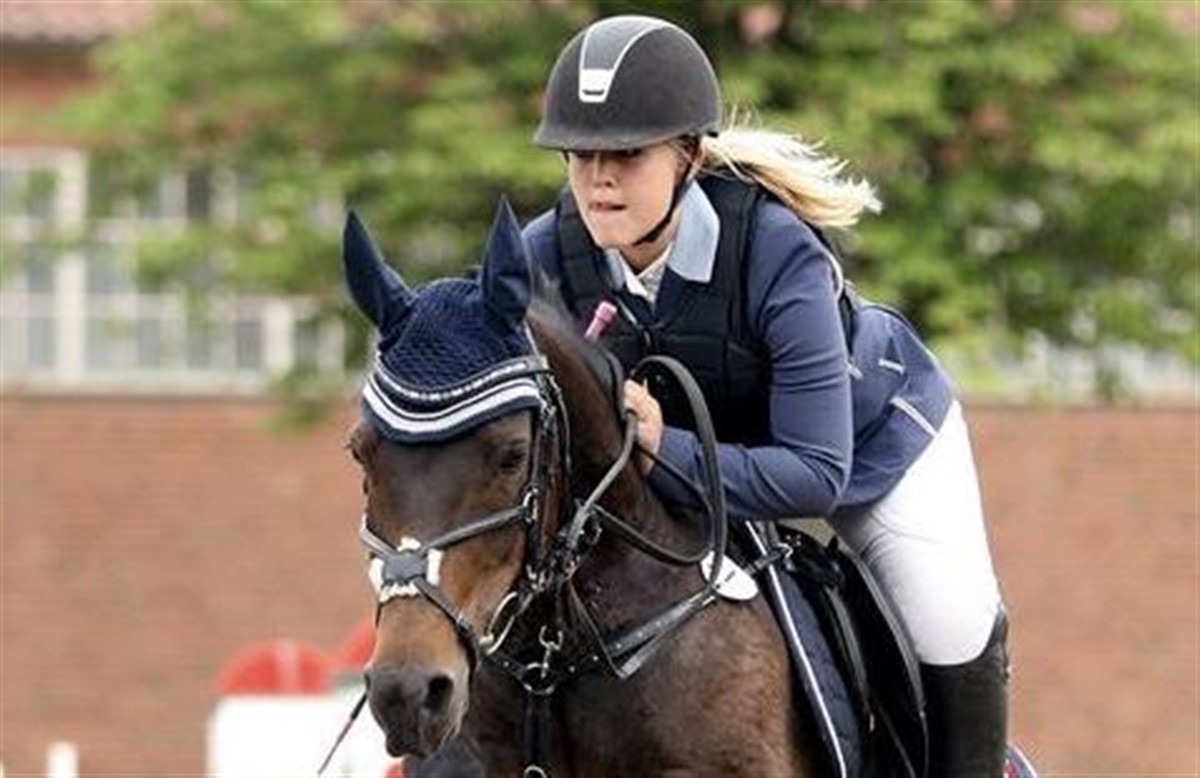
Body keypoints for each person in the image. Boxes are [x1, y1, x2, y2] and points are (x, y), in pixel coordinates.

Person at [521, 14, 1010, 778]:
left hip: (866, 454)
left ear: (687, 155)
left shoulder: (778, 251)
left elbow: (815, 475)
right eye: (581, 154)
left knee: (949, 622)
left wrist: (660, 449)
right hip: (696, 465)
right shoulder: (546, 257)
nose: (599, 179)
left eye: (627, 153)